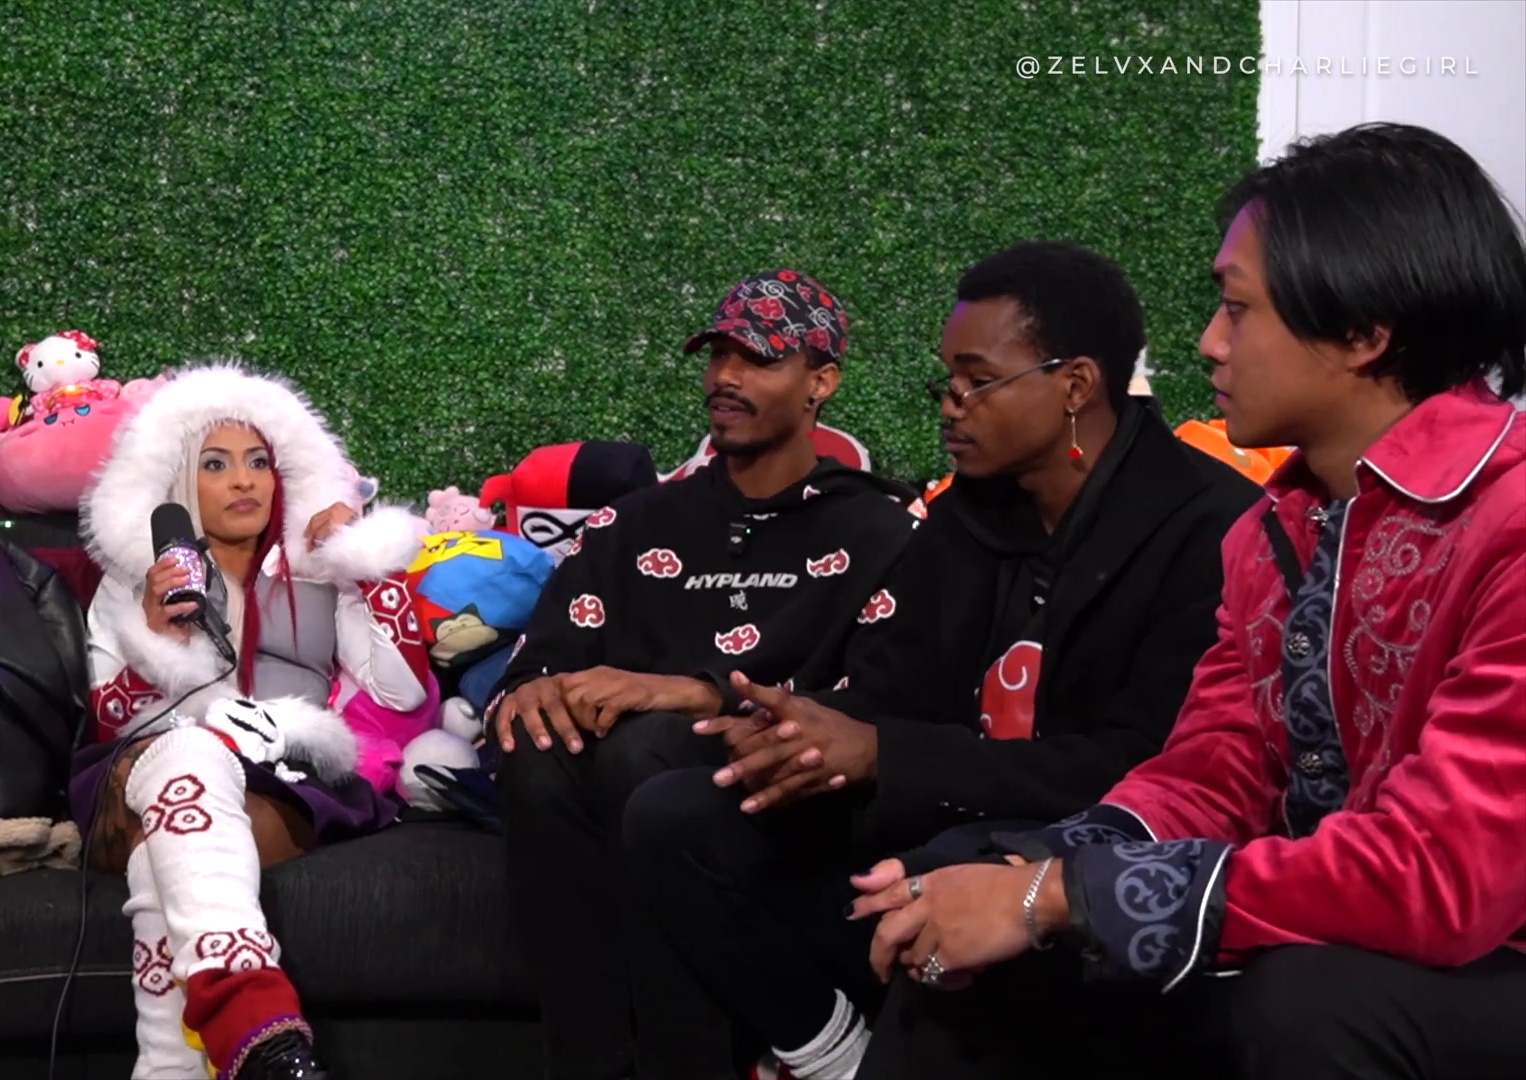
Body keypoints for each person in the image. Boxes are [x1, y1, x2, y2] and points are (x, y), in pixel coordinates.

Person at [851, 122, 1526, 1080]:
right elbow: (1219, 767)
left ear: (1364, 331)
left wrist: (1063, 896)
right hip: (1327, 924)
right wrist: (1030, 872)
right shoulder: (1271, 532)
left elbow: (1444, 874)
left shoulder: (1508, 517)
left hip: (1475, 954)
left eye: (1237, 308)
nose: (1209, 343)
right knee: (969, 914)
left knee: (1311, 1004)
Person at [622, 241, 1261, 1079]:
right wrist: (808, 730)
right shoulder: (972, 513)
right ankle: (831, 1054)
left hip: (1077, 853)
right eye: (947, 382)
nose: (951, 406)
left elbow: (1146, 767)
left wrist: (884, 754)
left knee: (947, 865)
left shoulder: (1212, 527)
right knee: (678, 811)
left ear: (1075, 386)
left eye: (977, 381)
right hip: (938, 814)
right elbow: (900, 690)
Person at [491, 269, 921, 1080]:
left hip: (777, 792)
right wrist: (534, 689)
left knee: (643, 757)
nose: (726, 377)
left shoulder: (882, 527)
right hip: (612, 779)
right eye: (719, 356)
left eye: (758, 359)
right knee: (535, 753)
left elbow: (887, 705)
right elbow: (539, 660)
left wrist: (700, 692)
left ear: (821, 382)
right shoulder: (633, 523)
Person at [69, 363, 447, 1080]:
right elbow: (113, 719)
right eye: (216, 464)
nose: (243, 480)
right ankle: (257, 1033)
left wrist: (364, 567)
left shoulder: (316, 575)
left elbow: (400, 694)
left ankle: (175, 1066)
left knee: (168, 856)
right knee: (186, 759)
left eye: (259, 462)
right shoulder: (132, 581)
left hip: (278, 775)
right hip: (146, 772)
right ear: (177, 480)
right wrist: (157, 637)